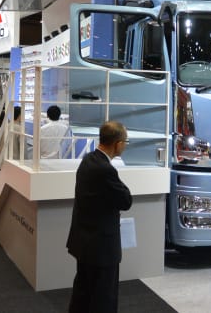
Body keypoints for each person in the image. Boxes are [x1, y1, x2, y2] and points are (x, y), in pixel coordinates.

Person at [66, 121, 133, 313]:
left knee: (83, 293)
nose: (125, 145)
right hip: (101, 247)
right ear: (118, 144)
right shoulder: (106, 170)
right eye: (125, 141)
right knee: (103, 298)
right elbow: (126, 200)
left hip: (84, 242)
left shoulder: (88, 160)